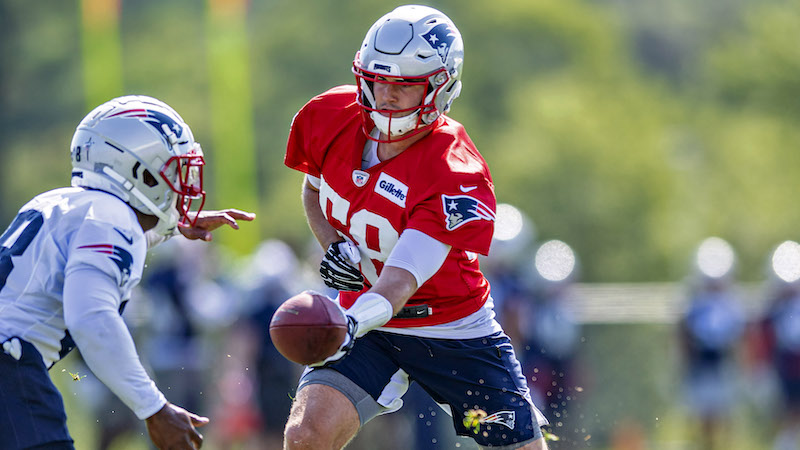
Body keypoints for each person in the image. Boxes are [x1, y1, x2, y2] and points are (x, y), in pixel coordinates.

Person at [282, 5, 549, 449]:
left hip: (449, 327)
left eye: (403, 86)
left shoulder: (453, 169)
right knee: (306, 435)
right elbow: (314, 192)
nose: (385, 95)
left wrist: (346, 323)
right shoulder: (330, 116)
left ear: (441, 87)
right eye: (377, 80)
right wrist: (333, 246)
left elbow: (397, 285)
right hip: (367, 323)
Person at [0, 95, 255, 450]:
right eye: (174, 168)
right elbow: (91, 317)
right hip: (10, 364)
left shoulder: (61, 202)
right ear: (140, 170)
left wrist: (173, 225)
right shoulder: (111, 219)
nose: (185, 183)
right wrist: (154, 408)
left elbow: (103, 245)